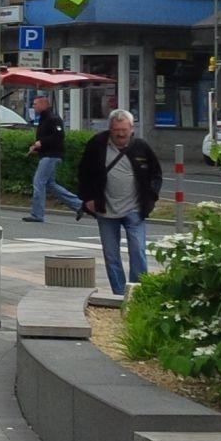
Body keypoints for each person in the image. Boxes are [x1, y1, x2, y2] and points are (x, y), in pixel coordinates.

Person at [77, 109, 163, 297]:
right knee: (111, 255)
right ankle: (119, 295)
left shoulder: (141, 147)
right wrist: (88, 199)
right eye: (116, 130)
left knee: (138, 250)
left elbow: (156, 175)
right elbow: (83, 173)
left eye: (124, 130)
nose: (121, 134)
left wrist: (151, 197)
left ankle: (137, 293)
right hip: (106, 209)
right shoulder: (97, 144)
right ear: (110, 129)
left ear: (132, 129)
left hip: (134, 208)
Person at [23, 94, 83, 222]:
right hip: (47, 155)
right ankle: (79, 205)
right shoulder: (44, 118)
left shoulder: (53, 118)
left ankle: (37, 215)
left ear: (44, 104)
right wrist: (37, 147)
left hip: (51, 156)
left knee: (38, 182)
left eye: (35, 104)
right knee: (51, 184)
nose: (33, 106)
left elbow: (59, 136)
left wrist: (41, 143)